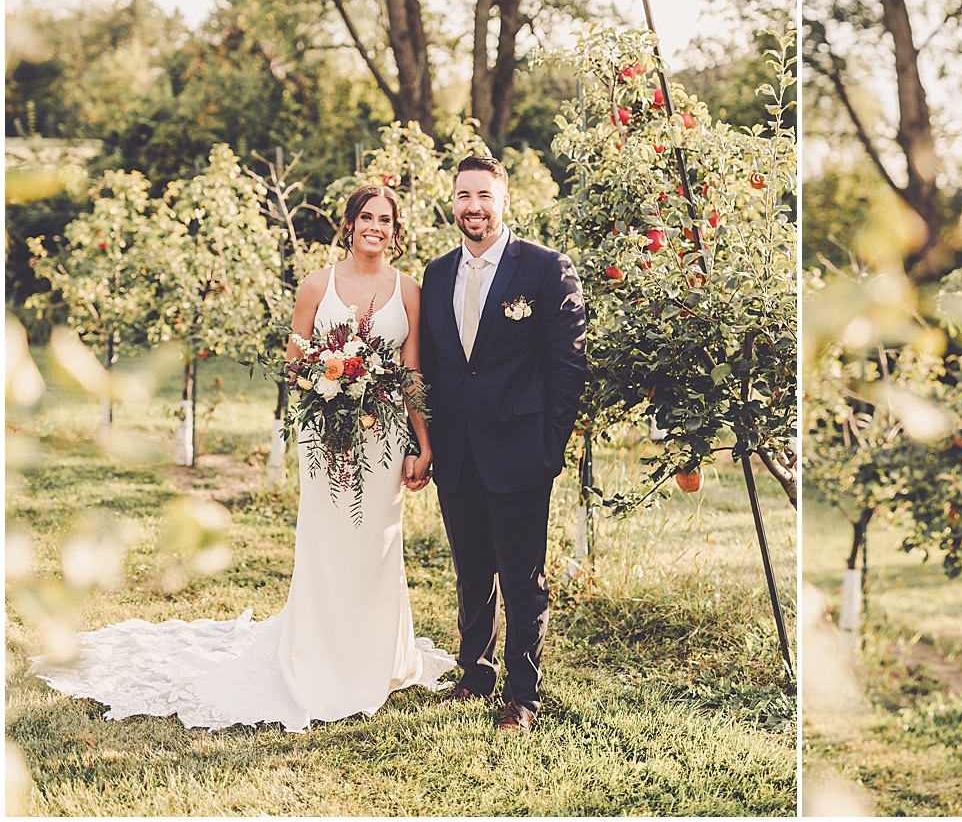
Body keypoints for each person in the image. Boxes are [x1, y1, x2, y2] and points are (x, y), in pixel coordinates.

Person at [31, 185, 454, 730]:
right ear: (348, 224)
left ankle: (376, 657)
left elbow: (412, 370)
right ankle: (320, 659)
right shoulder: (316, 285)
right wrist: (339, 383)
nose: (376, 226)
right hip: (327, 435)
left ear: (396, 230)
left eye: (386, 219)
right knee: (328, 542)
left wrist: (423, 441)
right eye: (366, 216)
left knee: (376, 545)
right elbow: (296, 366)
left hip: (385, 439)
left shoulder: (409, 290)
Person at [418, 154, 587, 731]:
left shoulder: (544, 269)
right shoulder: (436, 274)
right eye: (464, 196)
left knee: (521, 577)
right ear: (453, 202)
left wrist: (548, 447)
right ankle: (476, 673)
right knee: (471, 572)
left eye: (484, 196)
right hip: (457, 452)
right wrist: (430, 442)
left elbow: (568, 368)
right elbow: (438, 368)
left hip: (521, 451)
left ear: (504, 200)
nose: (474, 207)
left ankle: (523, 694)